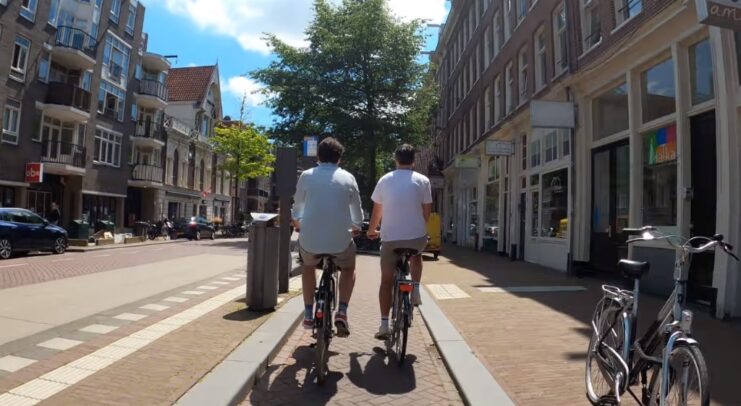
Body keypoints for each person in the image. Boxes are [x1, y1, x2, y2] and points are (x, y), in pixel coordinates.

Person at [291, 137, 363, 337]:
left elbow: (296, 209)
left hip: (310, 241)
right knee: (348, 268)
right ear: (339, 159)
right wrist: (356, 226)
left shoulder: (306, 175)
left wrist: (298, 223)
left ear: (318, 157)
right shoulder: (348, 178)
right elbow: (357, 212)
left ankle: (307, 312)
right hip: (340, 242)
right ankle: (342, 311)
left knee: (308, 266)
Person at [367, 144, 432, 340]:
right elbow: (427, 211)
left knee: (386, 281)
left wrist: (371, 230)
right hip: (416, 237)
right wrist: (419, 226)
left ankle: (384, 324)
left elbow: (377, 211)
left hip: (390, 238)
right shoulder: (423, 180)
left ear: (396, 159)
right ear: (413, 161)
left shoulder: (385, 180)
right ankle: (416, 290)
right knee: (417, 254)